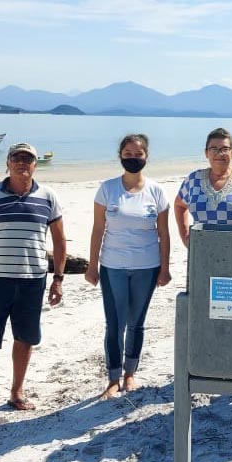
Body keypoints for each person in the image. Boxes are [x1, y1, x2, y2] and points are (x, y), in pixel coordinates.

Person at [0, 143, 66, 422]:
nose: (22, 163)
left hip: (33, 281)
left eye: (28, 159)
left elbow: (59, 239)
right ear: (7, 163)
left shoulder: (48, 196)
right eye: (16, 158)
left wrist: (58, 279)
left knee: (25, 339)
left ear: (35, 164)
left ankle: (16, 392)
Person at [85, 134, 171, 398]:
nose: (133, 158)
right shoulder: (107, 189)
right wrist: (92, 266)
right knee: (115, 324)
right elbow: (98, 229)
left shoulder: (156, 191)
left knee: (136, 323)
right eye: (128, 154)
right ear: (120, 155)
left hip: (147, 267)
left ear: (146, 157)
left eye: (138, 154)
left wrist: (165, 268)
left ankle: (130, 373)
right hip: (113, 266)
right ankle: (113, 378)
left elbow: (164, 234)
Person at [174, 127, 232, 246]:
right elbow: (179, 205)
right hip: (201, 254)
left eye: (225, 149)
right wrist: (186, 237)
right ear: (206, 153)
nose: (219, 153)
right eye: (214, 149)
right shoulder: (193, 180)